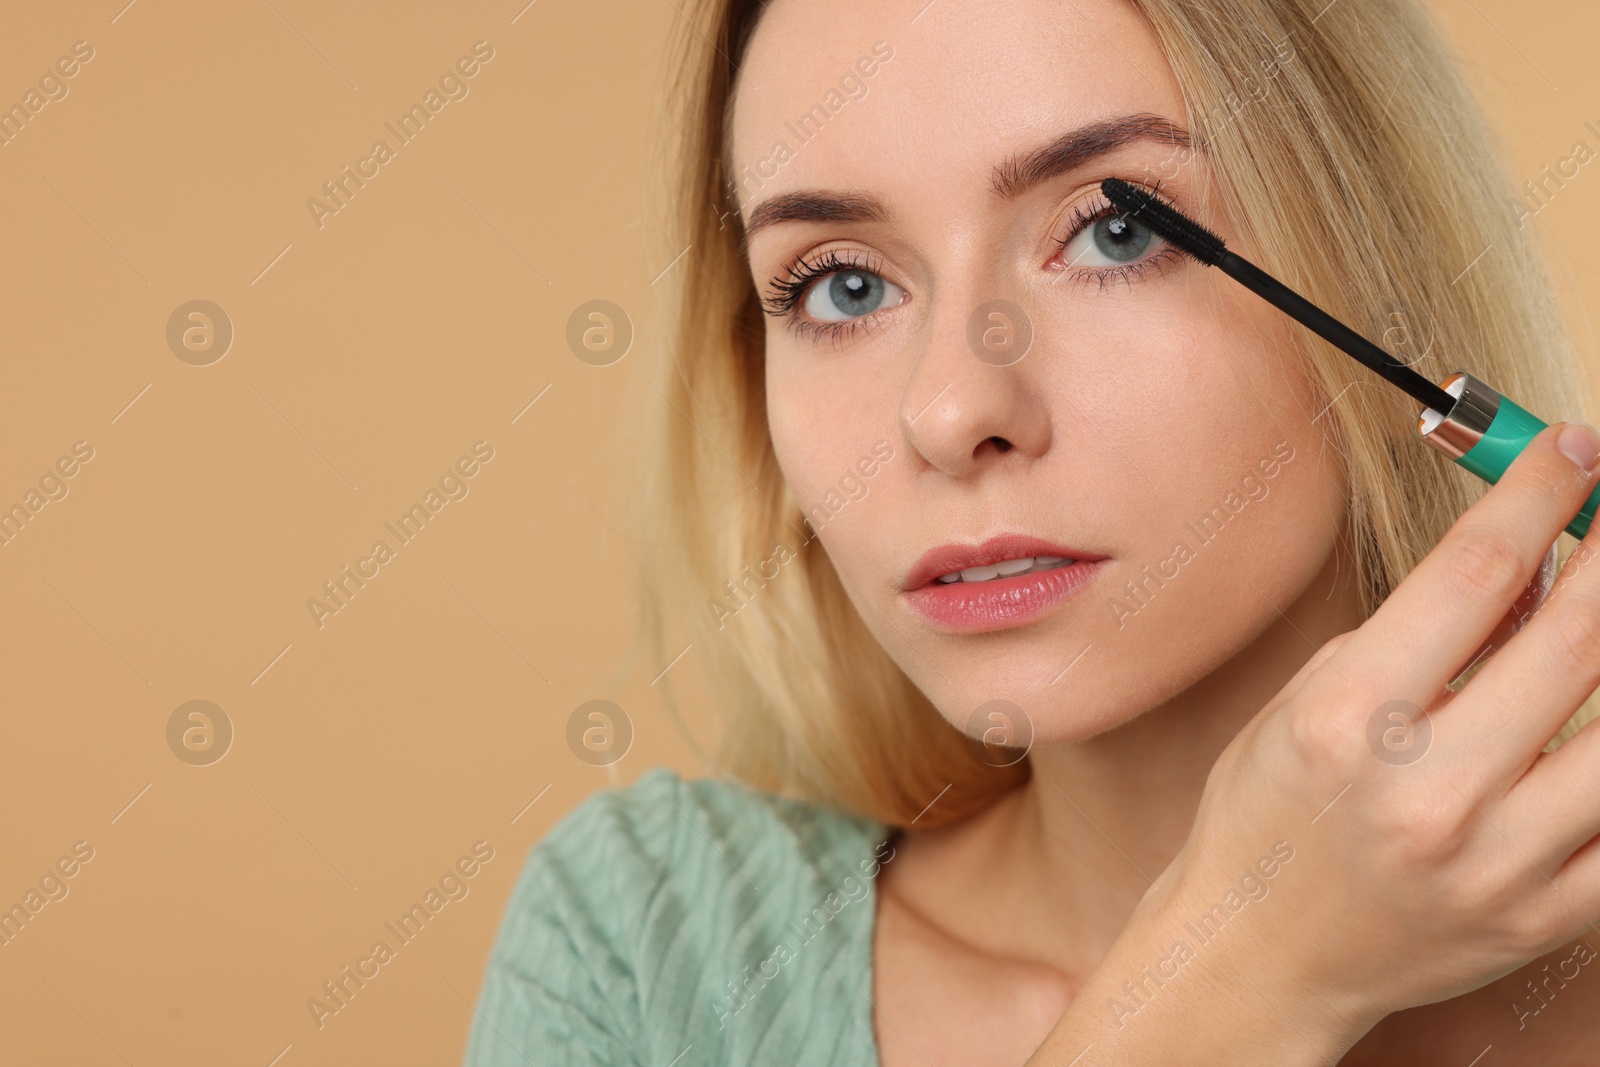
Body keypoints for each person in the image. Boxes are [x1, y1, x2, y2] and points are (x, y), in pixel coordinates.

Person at [464, 0, 1600, 1062]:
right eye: (842, 287)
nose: (949, 412)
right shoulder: (649, 952)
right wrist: (1245, 971)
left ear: (1377, 265)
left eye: (1112, 233)